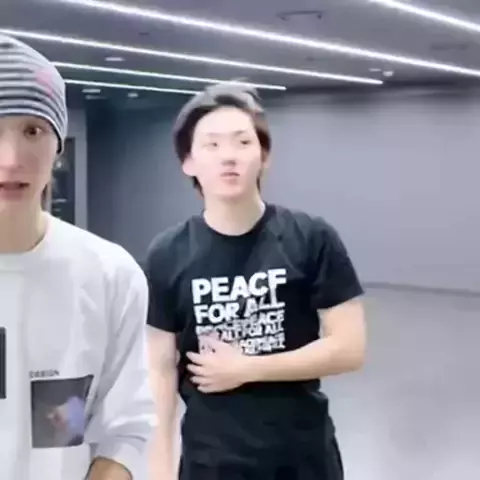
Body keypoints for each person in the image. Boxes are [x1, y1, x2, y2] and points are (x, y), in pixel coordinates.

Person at [146, 83, 366, 479]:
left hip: (304, 459)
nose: (228, 156)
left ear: (264, 157)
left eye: (243, 142)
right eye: (212, 145)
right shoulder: (167, 253)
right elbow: (159, 371)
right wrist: (159, 469)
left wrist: (247, 368)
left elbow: (350, 348)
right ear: (188, 161)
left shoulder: (311, 237)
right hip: (213, 463)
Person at [0, 34, 156, 480]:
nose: (11, 159)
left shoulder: (110, 276)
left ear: (59, 146)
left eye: (33, 131)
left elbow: (125, 431)